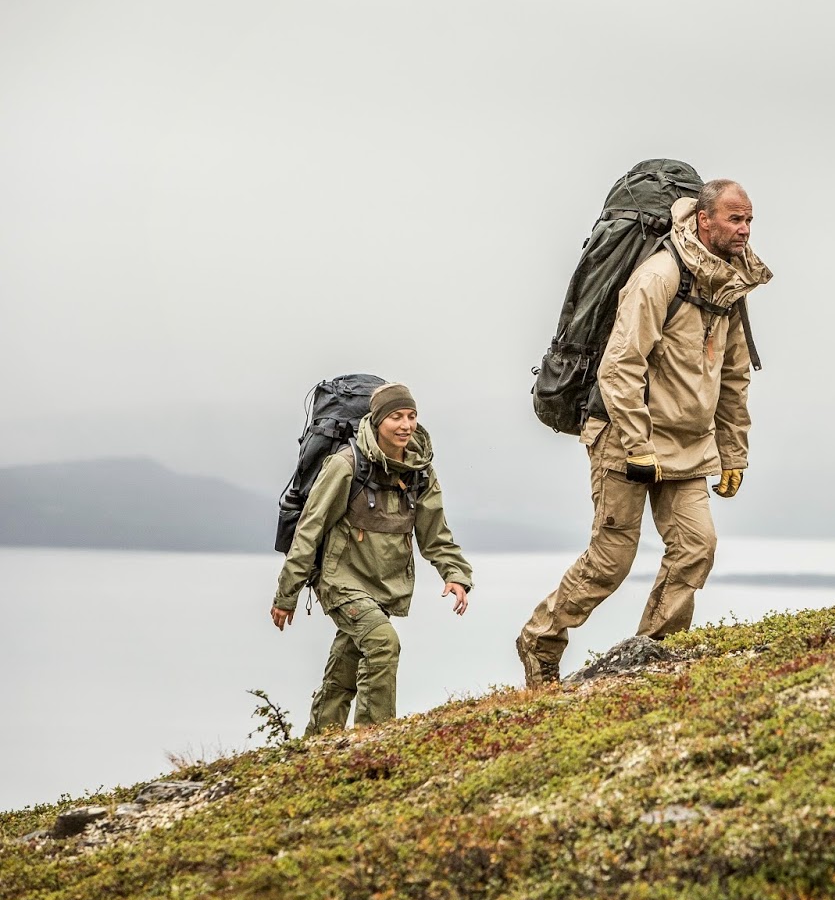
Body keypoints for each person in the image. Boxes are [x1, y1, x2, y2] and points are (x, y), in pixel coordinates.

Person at [517, 179, 773, 685]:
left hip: (688, 443)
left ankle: (651, 659)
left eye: (749, 220)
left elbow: (734, 375)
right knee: (611, 558)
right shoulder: (658, 276)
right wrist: (636, 445)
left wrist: (733, 452)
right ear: (704, 219)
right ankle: (540, 641)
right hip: (622, 433)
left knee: (696, 547)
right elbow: (619, 367)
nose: (744, 229)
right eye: (734, 219)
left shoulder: (730, 286)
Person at [271, 382, 473, 733]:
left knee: (345, 666)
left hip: (382, 588)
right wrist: (286, 594)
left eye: (411, 416)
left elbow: (435, 533)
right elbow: (310, 529)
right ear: (377, 420)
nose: (406, 425)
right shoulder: (346, 465)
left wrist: (454, 574)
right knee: (382, 643)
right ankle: (375, 739)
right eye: (396, 416)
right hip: (339, 581)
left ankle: (317, 744)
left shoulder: (420, 471)